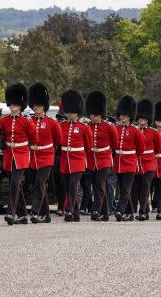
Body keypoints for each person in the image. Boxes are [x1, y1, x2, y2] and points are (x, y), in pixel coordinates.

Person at [23, 83, 63, 223]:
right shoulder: (30, 121)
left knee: (40, 184)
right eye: (34, 106)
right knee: (37, 186)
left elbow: (58, 140)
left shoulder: (52, 123)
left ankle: (35, 212)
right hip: (33, 158)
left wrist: (48, 150)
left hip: (46, 158)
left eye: (38, 106)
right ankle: (46, 215)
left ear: (44, 106)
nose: (36, 108)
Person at [0, 83, 37, 224]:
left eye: (15, 105)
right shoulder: (4, 120)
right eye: (11, 104)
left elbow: (34, 138)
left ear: (20, 105)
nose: (13, 107)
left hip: (22, 154)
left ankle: (11, 212)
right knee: (16, 185)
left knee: (15, 182)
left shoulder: (26, 121)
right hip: (10, 155)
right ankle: (22, 215)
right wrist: (2, 142)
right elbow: (2, 134)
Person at [57, 90, 93, 222]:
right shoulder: (62, 126)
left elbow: (88, 146)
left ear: (77, 113)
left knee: (73, 185)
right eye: (68, 113)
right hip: (65, 160)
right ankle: (76, 214)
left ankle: (69, 210)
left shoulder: (83, 128)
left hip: (78, 160)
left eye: (72, 113)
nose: (70, 115)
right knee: (67, 187)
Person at [84, 90, 117, 222]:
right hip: (92, 160)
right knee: (96, 185)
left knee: (100, 184)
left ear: (101, 114)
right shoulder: (87, 126)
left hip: (104, 159)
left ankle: (95, 209)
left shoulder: (109, 127)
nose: (93, 117)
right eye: (91, 114)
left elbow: (114, 143)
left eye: (96, 115)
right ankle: (104, 213)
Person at [114, 95, 144, 222]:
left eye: (125, 115)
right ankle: (130, 213)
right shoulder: (116, 128)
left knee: (125, 189)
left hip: (130, 162)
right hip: (119, 162)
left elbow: (141, 148)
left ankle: (120, 211)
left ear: (130, 116)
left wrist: (132, 157)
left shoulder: (135, 131)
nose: (122, 117)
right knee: (121, 188)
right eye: (121, 115)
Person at [131, 99, 160, 221]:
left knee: (145, 187)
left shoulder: (154, 133)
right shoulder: (133, 130)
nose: (141, 121)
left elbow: (158, 149)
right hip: (137, 164)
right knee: (136, 189)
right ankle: (144, 209)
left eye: (143, 119)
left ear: (147, 120)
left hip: (148, 164)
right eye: (140, 119)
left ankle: (143, 212)